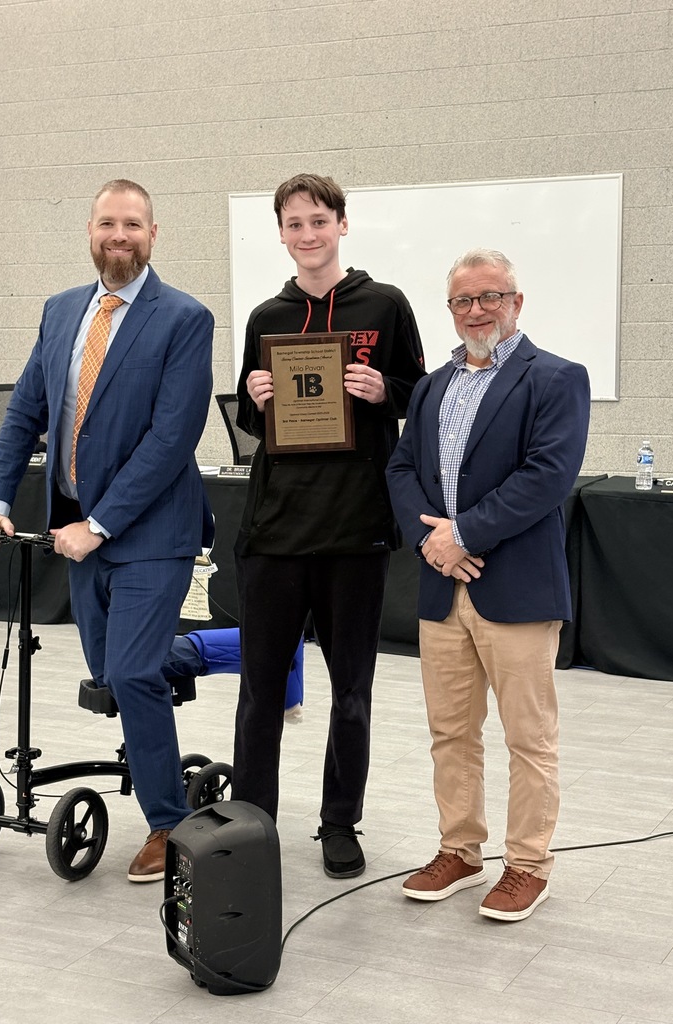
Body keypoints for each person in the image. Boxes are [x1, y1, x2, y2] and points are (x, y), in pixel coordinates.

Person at [0, 179, 215, 884]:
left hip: (150, 532)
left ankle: (168, 823)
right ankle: (202, 652)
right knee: (113, 674)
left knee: (132, 671)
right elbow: (23, 418)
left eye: (133, 224)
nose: (120, 235)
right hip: (75, 528)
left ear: (153, 234)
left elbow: (171, 440)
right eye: (108, 223)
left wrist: (100, 525)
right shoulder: (61, 310)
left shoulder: (185, 318)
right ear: (90, 229)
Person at [230, 172, 425, 878]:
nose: (307, 235)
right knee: (259, 695)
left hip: (355, 532)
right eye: (294, 224)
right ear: (280, 234)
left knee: (352, 693)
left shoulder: (387, 305)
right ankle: (252, 827)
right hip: (276, 535)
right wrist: (252, 397)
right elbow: (254, 422)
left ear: (342, 224)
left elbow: (417, 395)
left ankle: (339, 822)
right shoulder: (264, 319)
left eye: (319, 220)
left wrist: (384, 392)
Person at [386, 248, 590, 921]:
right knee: (451, 733)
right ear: (450, 310)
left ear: (516, 303)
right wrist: (431, 543)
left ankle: (527, 863)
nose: (476, 311)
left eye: (489, 297)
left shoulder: (556, 378)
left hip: (517, 589)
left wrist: (462, 535)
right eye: (462, 301)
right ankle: (461, 850)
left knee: (528, 737)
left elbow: (547, 477)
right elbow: (401, 469)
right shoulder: (430, 386)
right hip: (444, 589)